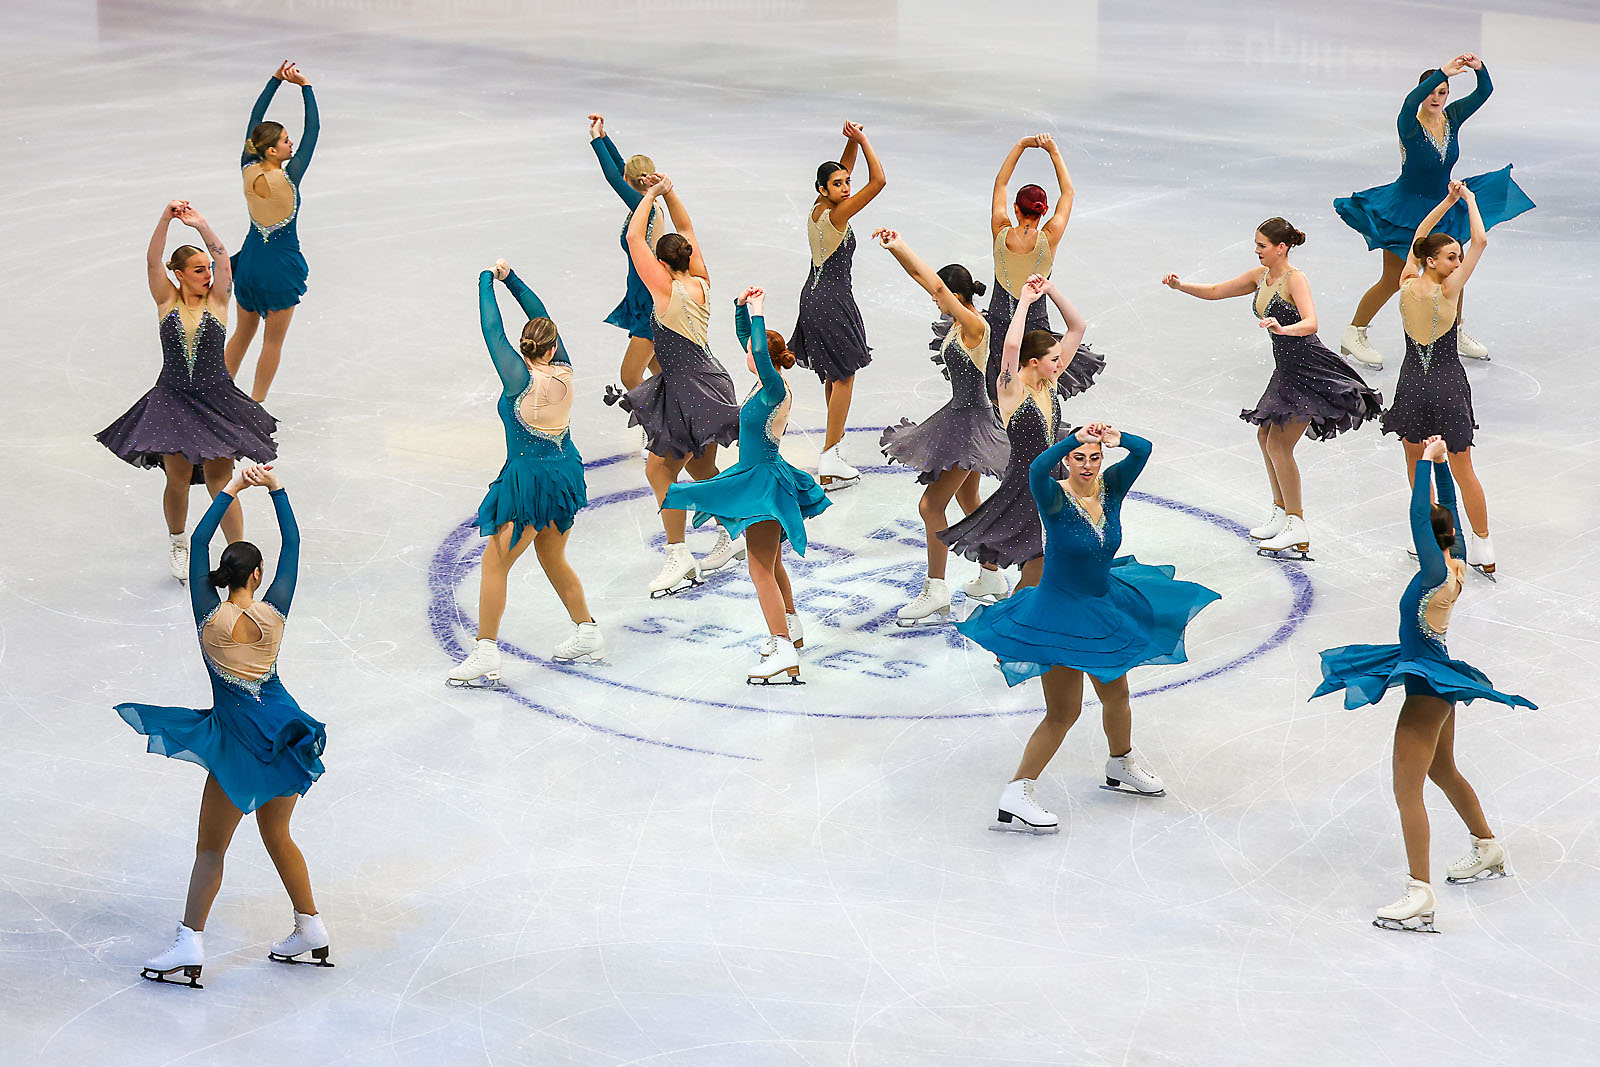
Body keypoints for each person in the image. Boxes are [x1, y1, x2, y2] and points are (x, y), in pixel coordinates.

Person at [1311, 436, 1534, 932]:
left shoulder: (1433, 569)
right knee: (1444, 771)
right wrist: (1441, 471)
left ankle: (1420, 895)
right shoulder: (1453, 561)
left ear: (1428, 540)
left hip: (1427, 686)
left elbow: (1421, 516)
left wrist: (1425, 467)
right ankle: (1487, 845)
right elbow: (1441, 512)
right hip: (1432, 674)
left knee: (1406, 789)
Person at [119, 464, 331, 987]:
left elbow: (196, 544)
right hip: (285, 735)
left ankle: (188, 943)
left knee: (211, 849)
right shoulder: (274, 612)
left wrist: (230, 488)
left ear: (223, 574)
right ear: (256, 577)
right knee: (278, 834)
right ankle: (312, 928)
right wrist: (277, 490)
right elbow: (294, 545)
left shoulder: (207, 616)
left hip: (237, 745)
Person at [956, 423, 1220, 832]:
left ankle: (1121, 763)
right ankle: (1016, 794)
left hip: (1104, 608)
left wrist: (1117, 439)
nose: (1088, 465)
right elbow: (1035, 470)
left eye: (1095, 458)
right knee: (1064, 713)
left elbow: (1144, 450)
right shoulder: (1055, 498)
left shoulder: (1111, 488)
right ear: (1068, 460)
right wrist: (1072, 440)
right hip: (1060, 616)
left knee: (1117, 695)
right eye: (1080, 458)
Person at [1161, 217, 1383, 559]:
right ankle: (1281, 513)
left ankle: (1297, 524)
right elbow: (1218, 291)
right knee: (1265, 438)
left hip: (1309, 367)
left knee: (1279, 446)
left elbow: (1311, 322)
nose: (1257, 250)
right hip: (1288, 369)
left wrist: (1283, 327)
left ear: (1282, 248)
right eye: (1257, 245)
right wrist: (1181, 286)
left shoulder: (1296, 280)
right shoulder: (1259, 277)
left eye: (1262, 245)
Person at [96, 200, 278, 580]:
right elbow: (151, 261)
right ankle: (179, 542)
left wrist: (201, 226)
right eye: (198, 271)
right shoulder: (166, 300)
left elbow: (225, 260)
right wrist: (164, 219)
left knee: (219, 480)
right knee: (176, 479)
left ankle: (236, 554)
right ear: (178, 275)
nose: (207, 275)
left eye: (207, 269)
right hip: (173, 400)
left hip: (216, 401)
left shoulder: (219, 300)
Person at [447, 260, 603, 687]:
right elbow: (540, 314)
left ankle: (485, 651)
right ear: (552, 348)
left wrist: (485, 280)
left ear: (526, 348)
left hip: (529, 480)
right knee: (552, 555)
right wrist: (512, 278)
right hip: (565, 471)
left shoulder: (517, 377)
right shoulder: (565, 370)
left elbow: (491, 331)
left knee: (494, 564)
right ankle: (587, 630)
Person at [663, 288, 830, 682]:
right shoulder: (764, 383)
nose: (747, 354)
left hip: (763, 484)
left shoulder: (774, 388)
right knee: (770, 563)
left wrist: (759, 312)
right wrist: (740, 309)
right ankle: (790, 628)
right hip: (758, 477)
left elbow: (755, 346)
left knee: (758, 569)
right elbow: (748, 342)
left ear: (762, 360)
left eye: (753, 352)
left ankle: (781, 647)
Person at [1334, 52, 1532, 368]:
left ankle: (1454, 331)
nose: (1436, 97)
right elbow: (1407, 103)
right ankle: (1354, 332)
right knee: (1393, 278)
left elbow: (1484, 92)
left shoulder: (1451, 118)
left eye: (1442, 91)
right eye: (1431, 90)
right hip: (1405, 210)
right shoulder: (1409, 126)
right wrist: (1442, 72)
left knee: (1455, 269)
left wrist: (1479, 70)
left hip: (1445, 204)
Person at [875, 229, 1012, 622]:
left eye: (939, 295)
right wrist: (895, 250)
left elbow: (934, 283)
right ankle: (992, 574)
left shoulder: (974, 326)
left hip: (970, 425)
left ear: (954, 295)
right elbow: (925, 280)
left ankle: (935, 588)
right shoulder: (956, 319)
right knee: (969, 500)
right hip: (959, 416)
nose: (933, 300)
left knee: (930, 504)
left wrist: (903, 244)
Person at [622, 174, 744, 595]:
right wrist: (671, 192)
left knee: (659, 468)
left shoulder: (663, 289)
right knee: (702, 467)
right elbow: (687, 231)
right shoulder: (702, 281)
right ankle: (732, 533)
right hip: (712, 380)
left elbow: (635, 236)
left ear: (662, 263)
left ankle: (678, 554)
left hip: (687, 390)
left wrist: (652, 194)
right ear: (687, 259)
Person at [939, 275, 1088, 607]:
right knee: (1039, 567)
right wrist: (1023, 301)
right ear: (1033, 362)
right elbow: (1009, 346)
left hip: (1055, 484)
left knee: (1046, 567)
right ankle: (1011, 635)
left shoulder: (1048, 382)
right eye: (1054, 359)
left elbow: (1078, 327)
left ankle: (1018, 631)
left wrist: (1050, 290)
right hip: (1027, 486)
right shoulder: (1011, 389)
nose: (1061, 363)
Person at [1380, 181, 1497, 578]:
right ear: (1432, 261)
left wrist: (1449, 201)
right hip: (1446, 385)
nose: (1456, 262)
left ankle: (1435, 540)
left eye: (1457, 258)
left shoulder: (1407, 282)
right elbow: (1480, 240)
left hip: (1412, 383)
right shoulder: (1448, 290)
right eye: (1450, 257)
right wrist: (1470, 201)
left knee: (1419, 464)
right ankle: (1483, 547)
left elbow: (1419, 238)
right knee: (1462, 468)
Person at [793, 121, 887, 489]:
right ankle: (830, 457)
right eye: (839, 184)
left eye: (847, 183)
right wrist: (864, 141)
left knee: (834, 375)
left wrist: (849, 144)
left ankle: (834, 453)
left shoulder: (820, 206)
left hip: (815, 296)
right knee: (845, 375)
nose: (846, 188)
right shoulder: (836, 215)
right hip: (831, 299)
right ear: (822, 190)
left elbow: (841, 170)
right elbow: (878, 182)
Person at [223, 61, 320, 402]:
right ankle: (256, 404)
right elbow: (313, 133)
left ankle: (215, 393)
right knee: (272, 341)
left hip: (250, 263)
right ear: (271, 150)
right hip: (279, 268)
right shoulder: (290, 176)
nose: (291, 143)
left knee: (242, 333)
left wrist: (275, 82)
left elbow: (254, 122)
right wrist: (305, 87)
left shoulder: (247, 166)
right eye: (283, 140)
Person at [985, 133, 1103, 404]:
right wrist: (1053, 151)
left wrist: (1021, 145)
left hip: (999, 321)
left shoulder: (999, 229)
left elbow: (1000, 183)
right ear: (1044, 210)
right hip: (1036, 325)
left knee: (999, 393)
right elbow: (1068, 192)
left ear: (1015, 208)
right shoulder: (1050, 236)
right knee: (1036, 390)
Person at [587, 113, 666, 392]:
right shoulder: (645, 203)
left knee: (631, 377)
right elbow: (622, 170)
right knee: (663, 378)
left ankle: (661, 430)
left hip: (648, 304)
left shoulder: (646, 207)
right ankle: (677, 428)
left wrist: (595, 140)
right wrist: (605, 137)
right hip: (642, 297)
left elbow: (613, 176)